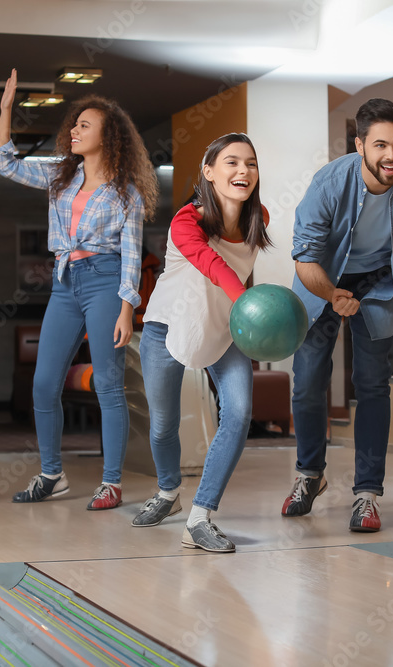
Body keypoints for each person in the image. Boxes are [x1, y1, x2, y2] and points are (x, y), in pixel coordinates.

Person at [0, 70, 157, 509]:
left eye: (85, 125)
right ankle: (52, 474)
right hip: (66, 283)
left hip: (106, 281)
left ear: (109, 136)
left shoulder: (127, 195)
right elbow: (4, 162)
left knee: (107, 384)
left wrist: (127, 308)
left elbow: (132, 256)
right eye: (74, 124)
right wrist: (6, 110)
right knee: (44, 384)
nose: (74, 130)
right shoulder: (59, 176)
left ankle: (111, 482)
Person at [282, 98, 393, 533]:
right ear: (359, 145)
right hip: (323, 275)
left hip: (380, 279)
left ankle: (367, 494)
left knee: (372, 383)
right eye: (379, 145)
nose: (390, 156)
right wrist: (333, 294)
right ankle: (308, 475)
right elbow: (304, 258)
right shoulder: (330, 183)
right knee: (309, 379)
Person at [135, 133, 270, 553]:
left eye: (250, 163)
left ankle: (199, 517)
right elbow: (212, 265)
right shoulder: (186, 220)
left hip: (223, 330)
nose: (242, 171)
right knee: (163, 427)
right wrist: (246, 301)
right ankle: (168, 491)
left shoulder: (258, 217)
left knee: (240, 412)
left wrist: (251, 322)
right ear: (209, 174)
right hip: (166, 329)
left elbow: (243, 273)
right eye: (231, 163)